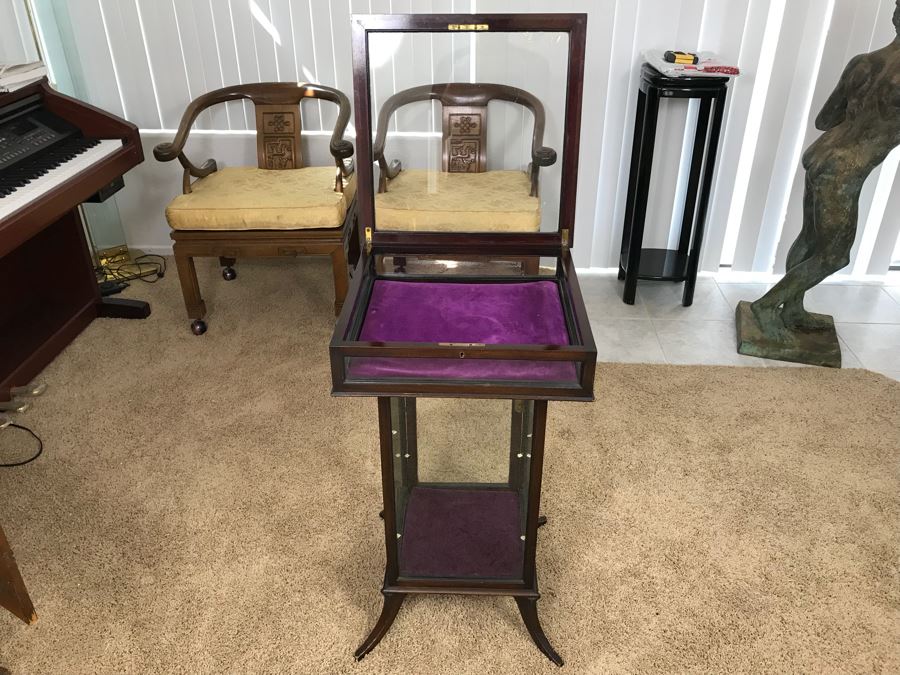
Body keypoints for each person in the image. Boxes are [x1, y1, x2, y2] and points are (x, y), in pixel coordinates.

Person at [751, 1, 900, 337]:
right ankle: (765, 307)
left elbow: (825, 119)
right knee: (834, 255)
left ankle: (793, 309)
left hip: (821, 154)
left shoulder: (863, 63)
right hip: (846, 170)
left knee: (811, 237)